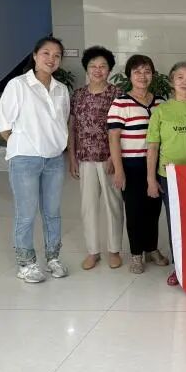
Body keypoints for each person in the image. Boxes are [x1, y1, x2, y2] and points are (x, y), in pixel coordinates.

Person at [0, 36, 70, 283]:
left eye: (57, 55)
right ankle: (26, 263)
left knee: (52, 212)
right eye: (46, 53)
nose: (51, 59)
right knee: (26, 214)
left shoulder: (61, 89)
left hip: (54, 160)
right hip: (25, 159)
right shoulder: (18, 85)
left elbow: (62, 122)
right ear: (35, 56)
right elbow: (3, 122)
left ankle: (53, 258)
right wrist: (22, 144)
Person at [146, 61, 186, 285]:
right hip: (170, 177)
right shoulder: (161, 111)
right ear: (172, 81)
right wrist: (151, 179)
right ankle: (179, 268)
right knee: (175, 222)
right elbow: (153, 147)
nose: (185, 81)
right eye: (180, 77)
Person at [108, 55, 168, 275]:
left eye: (147, 71)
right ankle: (136, 254)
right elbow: (113, 138)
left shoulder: (161, 102)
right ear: (129, 76)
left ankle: (151, 249)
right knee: (134, 211)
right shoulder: (120, 103)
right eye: (137, 72)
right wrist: (119, 170)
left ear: (153, 74)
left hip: (156, 164)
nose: (143, 76)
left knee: (153, 208)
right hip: (131, 164)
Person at [68, 46, 123, 271]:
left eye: (103, 66)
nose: (98, 70)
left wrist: (115, 158)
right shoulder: (78, 95)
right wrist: (72, 157)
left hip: (109, 158)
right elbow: (73, 126)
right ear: (87, 69)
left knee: (113, 205)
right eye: (93, 66)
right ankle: (93, 251)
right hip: (85, 158)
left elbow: (122, 129)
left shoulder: (117, 93)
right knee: (88, 206)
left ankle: (114, 251)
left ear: (109, 69)